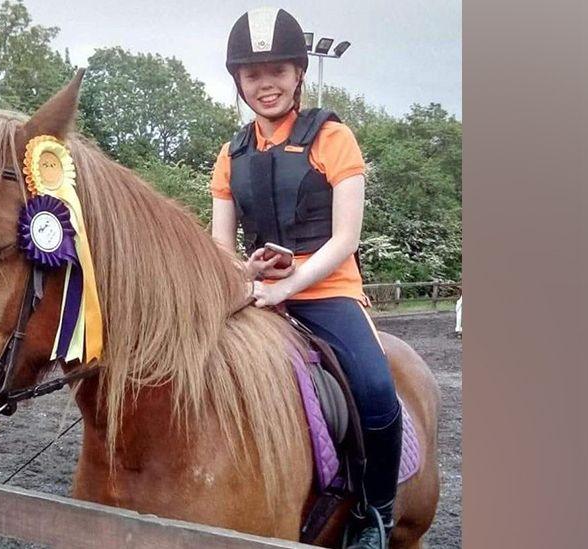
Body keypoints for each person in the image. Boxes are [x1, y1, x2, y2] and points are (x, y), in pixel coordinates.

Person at [209, 8, 402, 548]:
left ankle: (375, 514)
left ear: (298, 73)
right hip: (256, 295)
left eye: (277, 71)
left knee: (376, 390)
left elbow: (346, 239)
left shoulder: (334, 137)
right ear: (239, 82)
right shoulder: (230, 154)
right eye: (252, 74)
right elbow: (223, 247)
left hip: (325, 292)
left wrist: (286, 287)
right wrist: (244, 277)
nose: (265, 84)